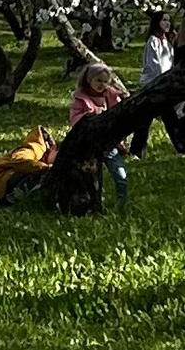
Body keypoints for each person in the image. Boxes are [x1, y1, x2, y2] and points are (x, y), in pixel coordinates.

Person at [70, 63, 130, 209]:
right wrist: (89, 116)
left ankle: (121, 205)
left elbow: (120, 117)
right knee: (92, 179)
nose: (101, 85)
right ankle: (95, 205)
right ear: (89, 80)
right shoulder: (81, 98)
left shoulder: (112, 96)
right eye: (98, 80)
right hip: (89, 146)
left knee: (121, 176)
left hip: (108, 144)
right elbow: (75, 119)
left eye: (105, 81)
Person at [129, 12, 174, 157]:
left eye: (169, 21)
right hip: (153, 85)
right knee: (145, 120)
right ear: (157, 23)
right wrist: (161, 82)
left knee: (169, 119)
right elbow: (154, 65)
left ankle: (182, 148)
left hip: (164, 84)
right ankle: (136, 151)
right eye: (164, 20)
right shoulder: (153, 41)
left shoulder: (167, 42)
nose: (167, 24)